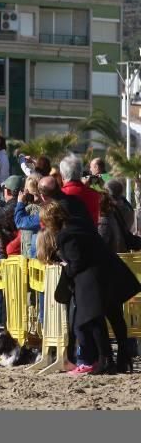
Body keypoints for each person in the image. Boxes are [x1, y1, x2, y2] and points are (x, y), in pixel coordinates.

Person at [41, 201, 141, 375]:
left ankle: (106, 359)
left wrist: (66, 267)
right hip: (109, 271)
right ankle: (123, 359)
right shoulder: (79, 224)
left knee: (93, 320)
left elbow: (77, 262)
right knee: (115, 316)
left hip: (91, 279)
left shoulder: (64, 235)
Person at [59, 154, 100, 226]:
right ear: (81, 173)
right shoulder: (94, 194)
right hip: (91, 235)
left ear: (62, 176)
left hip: (68, 236)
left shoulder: (60, 195)